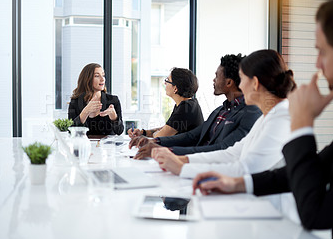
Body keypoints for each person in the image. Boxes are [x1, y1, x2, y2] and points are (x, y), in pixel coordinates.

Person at [192, 0, 333, 239]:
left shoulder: (283, 116)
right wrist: (238, 184)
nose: (318, 64)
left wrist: (302, 125)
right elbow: (315, 167)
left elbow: (315, 213)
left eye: (322, 52)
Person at [152, 49, 296, 180]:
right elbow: (232, 153)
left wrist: (182, 167)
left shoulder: (279, 118)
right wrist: (181, 159)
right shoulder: (268, 117)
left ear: (255, 83)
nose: (240, 85)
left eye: (242, 79)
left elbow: (246, 167)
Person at [129, 54, 262, 159]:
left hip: (212, 170)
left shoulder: (250, 112)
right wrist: (156, 142)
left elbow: (223, 149)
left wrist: (168, 151)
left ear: (228, 82)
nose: (213, 80)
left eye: (217, 76)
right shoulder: (220, 110)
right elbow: (192, 136)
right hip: (195, 164)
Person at [127, 67, 204, 138]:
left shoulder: (185, 108)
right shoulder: (186, 104)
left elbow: (159, 137)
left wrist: (156, 134)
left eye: (167, 80)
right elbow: (167, 128)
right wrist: (143, 132)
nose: (165, 83)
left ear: (175, 88)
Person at [68, 63, 124, 136]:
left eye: (103, 75)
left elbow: (119, 131)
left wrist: (114, 117)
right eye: (97, 76)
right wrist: (85, 111)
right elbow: (71, 131)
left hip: (107, 146)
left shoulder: (113, 100)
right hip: (85, 146)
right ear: (87, 79)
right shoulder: (75, 102)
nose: (102, 79)